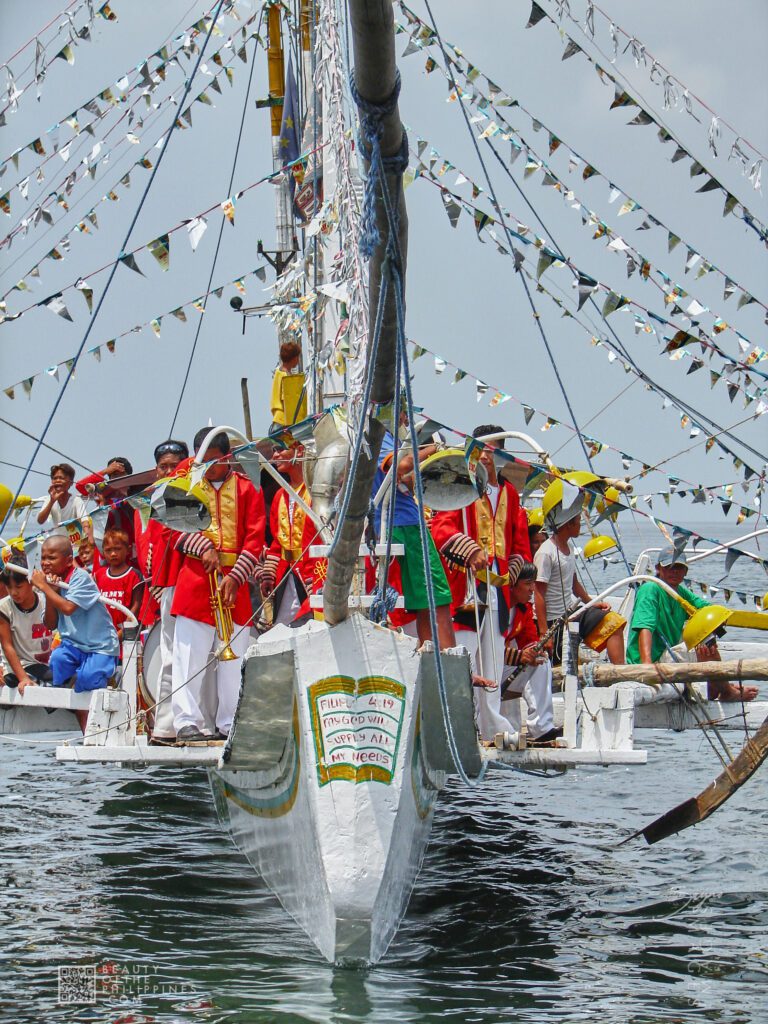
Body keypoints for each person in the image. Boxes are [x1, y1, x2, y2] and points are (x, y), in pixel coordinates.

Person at [430, 427, 532, 738]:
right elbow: (441, 528)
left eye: (492, 451)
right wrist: (469, 550)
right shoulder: (462, 486)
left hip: (498, 586)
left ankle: (491, 723)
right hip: (467, 582)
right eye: (482, 450)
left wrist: (514, 570)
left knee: (493, 656)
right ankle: (460, 722)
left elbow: (520, 543)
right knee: (464, 651)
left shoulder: (510, 493)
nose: (486, 456)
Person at [170, 428, 266, 744]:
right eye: (203, 461)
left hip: (233, 584)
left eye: (214, 461)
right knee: (189, 656)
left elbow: (255, 540)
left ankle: (230, 722)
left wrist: (235, 578)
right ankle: (187, 721)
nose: (208, 467)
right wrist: (202, 547)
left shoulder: (248, 490)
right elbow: (170, 531)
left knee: (235, 657)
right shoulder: (186, 487)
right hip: (195, 581)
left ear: (228, 458)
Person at [627, 546, 759, 702]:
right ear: (658, 568)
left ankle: (717, 686)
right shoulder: (651, 588)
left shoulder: (680, 592)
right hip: (649, 661)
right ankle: (726, 690)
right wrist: (647, 667)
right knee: (704, 645)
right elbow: (645, 627)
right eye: (669, 567)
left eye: (679, 567)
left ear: (685, 572)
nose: (674, 571)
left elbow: (705, 608)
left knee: (706, 640)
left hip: (666, 655)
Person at [372, 426, 456, 651]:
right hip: (405, 525)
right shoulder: (382, 438)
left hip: (398, 523)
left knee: (425, 602)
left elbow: (405, 479)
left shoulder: (377, 437)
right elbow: (401, 467)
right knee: (436, 595)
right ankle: (446, 658)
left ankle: (432, 654)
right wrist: (434, 450)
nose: (405, 418)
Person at [135, 439, 189, 744]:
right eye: (163, 467)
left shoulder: (193, 493)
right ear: (156, 470)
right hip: (168, 585)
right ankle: (166, 725)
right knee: (170, 654)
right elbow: (150, 548)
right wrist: (157, 582)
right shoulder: (152, 503)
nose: (169, 471)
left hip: (194, 583)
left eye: (174, 466)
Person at [534, 486, 625, 666]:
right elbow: (538, 594)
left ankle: (620, 671)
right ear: (568, 524)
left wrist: (591, 602)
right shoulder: (546, 552)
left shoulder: (568, 549)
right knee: (562, 664)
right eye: (578, 520)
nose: (580, 524)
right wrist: (544, 633)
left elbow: (574, 584)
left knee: (614, 622)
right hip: (554, 621)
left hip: (571, 613)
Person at [30, 536, 119, 692]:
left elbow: (68, 608)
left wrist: (44, 587)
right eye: (43, 558)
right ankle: (74, 681)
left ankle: (103, 677)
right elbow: (50, 624)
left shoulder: (80, 577)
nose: (45, 563)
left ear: (69, 560)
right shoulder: (52, 582)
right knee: (57, 660)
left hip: (99, 646)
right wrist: (51, 591)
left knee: (88, 679)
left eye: (51, 558)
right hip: (73, 645)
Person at [260, 441, 322, 625]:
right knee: (283, 628)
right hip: (286, 574)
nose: (276, 455)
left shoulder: (315, 492)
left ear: (300, 450)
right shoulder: (280, 495)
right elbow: (277, 542)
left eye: (281, 449)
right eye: (274, 450)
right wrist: (270, 573)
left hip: (312, 574)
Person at [501, 559, 560, 745]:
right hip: (488, 670)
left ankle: (541, 727)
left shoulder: (523, 610)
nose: (532, 589)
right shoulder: (495, 610)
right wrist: (520, 656)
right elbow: (489, 651)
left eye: (533, 584)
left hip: (506, 670)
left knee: (541, 660)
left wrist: (534, 650)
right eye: (527, 584)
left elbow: (529, 641)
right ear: (512, 585)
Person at [0, 566, 54, 693]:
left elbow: (55, 627)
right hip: (20, 667)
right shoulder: (4, 607)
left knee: (71, 678)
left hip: (45, 664)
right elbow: (7, 646)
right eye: (9, 587)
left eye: (18, 587)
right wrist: (23, 678)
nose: (13, 592)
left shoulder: (45, 601)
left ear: (31, 582)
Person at [93, 528, 142, 642]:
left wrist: (119, 634)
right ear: (103, 552)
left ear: (128, 549)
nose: (113, 554)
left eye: (118, 549)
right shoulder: (99, 575)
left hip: (126, 635)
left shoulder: (134, 575)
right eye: (108, 550)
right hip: (102, 634)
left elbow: (136, 607)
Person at [36, 464, 87, 538]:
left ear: (71, 482)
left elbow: (85, 521)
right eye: (55, 478)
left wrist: (88, 539)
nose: (57, 481)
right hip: (59, 541)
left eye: (61, 478)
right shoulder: (49, 499)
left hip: (76, 542)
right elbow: (40, 521)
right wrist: (52, 501)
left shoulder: (76, 500)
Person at [270, 340, 307, 429]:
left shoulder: (278, 372)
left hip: (277, 420)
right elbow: (286, 400)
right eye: (298, 357)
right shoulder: (286, 377)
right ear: (294, 358)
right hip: (284, 422)